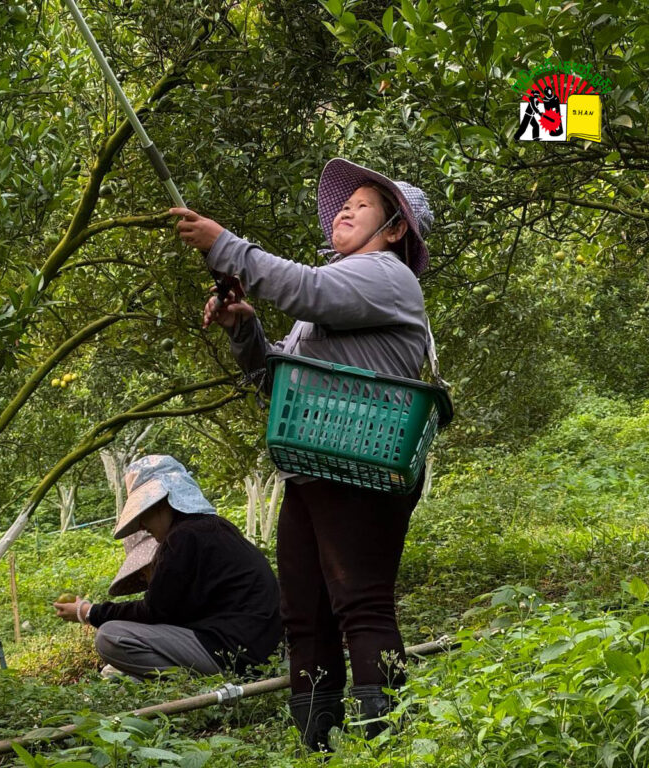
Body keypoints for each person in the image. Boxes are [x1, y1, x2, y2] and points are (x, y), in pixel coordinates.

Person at [171, 158, 435, 749]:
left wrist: (225, 246)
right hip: (316, 464)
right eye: (345, 204)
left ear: (394, 228)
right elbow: (277, 381)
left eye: (362, 205)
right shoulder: (337, 296)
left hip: (364, 462)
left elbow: (306, 288)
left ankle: (385, 739)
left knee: (360, 603)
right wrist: (244, 328)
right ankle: (319, 744)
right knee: (305, 613)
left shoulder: (386, 277)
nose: (344, 211)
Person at [53, 455, 282, 679]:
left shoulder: (183, 537)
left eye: (143, 514)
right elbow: (173, 610)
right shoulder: (215, 528)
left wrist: (89, 612)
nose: (142, 525)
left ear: (162, 503)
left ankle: (188, 682)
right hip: (257, 651)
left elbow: (154, 611)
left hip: (232, 652)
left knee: (111, 636)